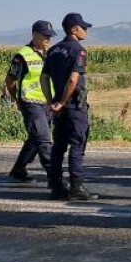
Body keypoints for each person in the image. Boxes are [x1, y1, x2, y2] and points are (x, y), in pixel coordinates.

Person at [40, 13, 98, 201]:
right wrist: (64, 101)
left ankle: (56, 186)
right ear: (74, 29)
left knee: (59, 147)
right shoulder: (78, 50)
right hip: (73, 105)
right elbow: (74, 78)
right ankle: (76, 186)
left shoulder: (54, 50)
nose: (86, 30)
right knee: (77, 145)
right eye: (83, 27)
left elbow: (44, 78)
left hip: (58, 105)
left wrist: (52, 102)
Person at [4, 20, 56, 183]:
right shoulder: (22, 55)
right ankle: (55, 177)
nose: (48, 38)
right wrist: (17, 100)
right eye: (45, 35)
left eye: (50, 35)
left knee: (35, 138)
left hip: (47, 103)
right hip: (31, 103)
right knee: (43, 139)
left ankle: (18, 170)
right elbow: (10, 81)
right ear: (35, 34)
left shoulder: (49, 54)